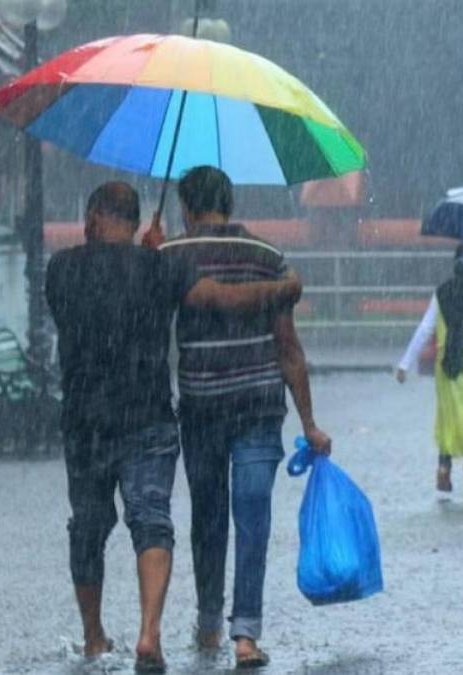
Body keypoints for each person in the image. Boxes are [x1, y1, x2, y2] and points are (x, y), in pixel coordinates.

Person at [45, 182, 301, 674]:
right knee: (152, 520)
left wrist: (138, 263)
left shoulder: (62, 268)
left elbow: (80, 311)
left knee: (89, 528)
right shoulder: (160, 267)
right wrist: (279, 289)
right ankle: (149, 634)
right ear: (136, 221)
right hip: (147, 417)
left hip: (85, 423)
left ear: (95, 218)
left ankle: (95, 637)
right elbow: (221, 300)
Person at [156, 166, 331, 669]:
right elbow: (288, 348)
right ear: (228, 204)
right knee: (252, 516)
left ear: (186, 207)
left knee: (208, 518)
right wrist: (309, 422)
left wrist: (150, 252)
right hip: (259, 405)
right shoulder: (268, 257)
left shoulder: (171, 257)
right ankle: (246, 635)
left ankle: (210, 620)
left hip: (201, 406)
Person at [395, 242, 463, 503]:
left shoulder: (444, 291)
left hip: (450, 361)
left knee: (449, 418)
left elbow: (426, 328)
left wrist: (405, 363)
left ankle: (444, 466)